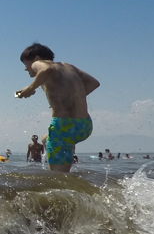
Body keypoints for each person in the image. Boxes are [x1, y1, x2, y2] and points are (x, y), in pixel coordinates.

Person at [15, 43, 100, 173]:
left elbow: (46, 70)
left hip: (63, 126)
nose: (26, 68)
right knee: (45, 139)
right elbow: (94, 83)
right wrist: (68, 99)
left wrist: (30, 88)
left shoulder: (39, 64)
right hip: (85, 126)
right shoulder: (68, 66)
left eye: (25, 64)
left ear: (36, 58)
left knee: (58, 176)